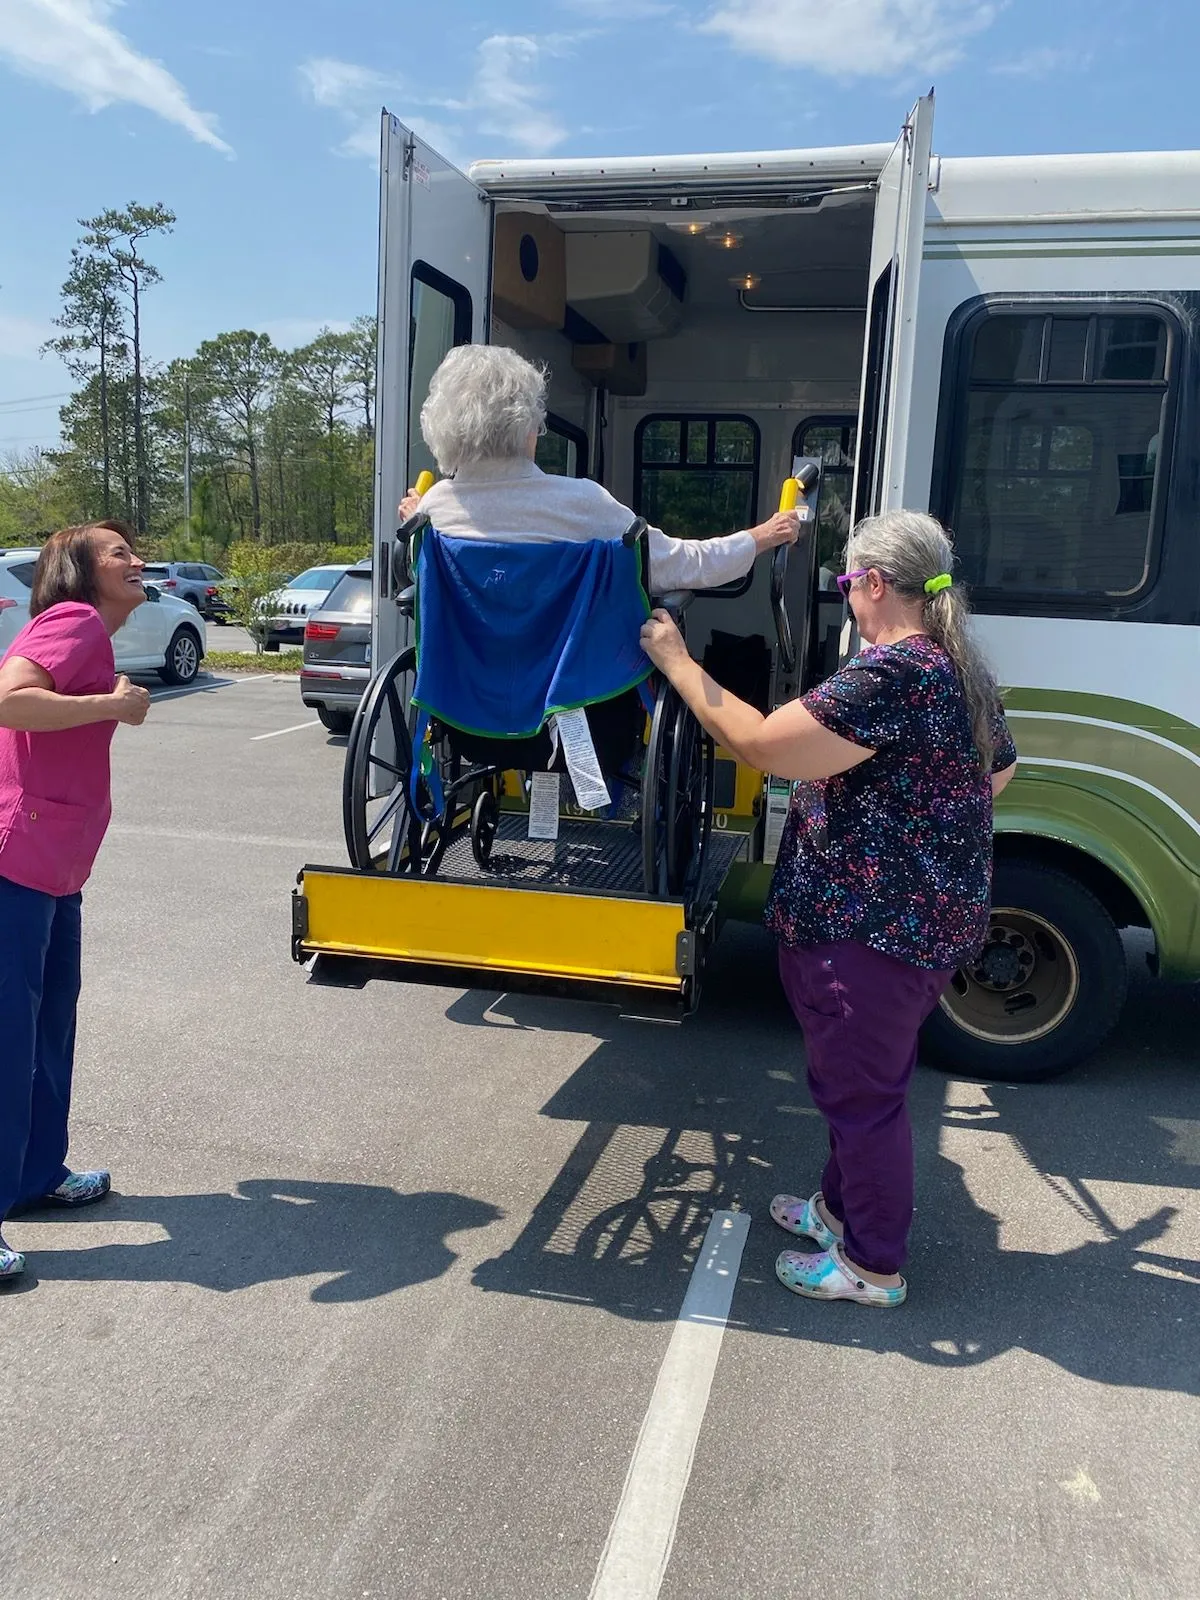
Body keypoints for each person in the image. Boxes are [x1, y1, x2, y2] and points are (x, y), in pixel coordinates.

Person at [641, 509, 1017, 1308]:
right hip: (915, 928)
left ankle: (872, 1266)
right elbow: (1000, 771)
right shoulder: (958, 665)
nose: (846, 598)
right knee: (854, 1082)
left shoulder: (892, 672)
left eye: (848, 585)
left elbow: (763, 744)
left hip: (867, 935)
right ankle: (836, 1211)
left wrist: (677, 662)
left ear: (875, 584)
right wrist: (917, 816)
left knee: (864, 1099)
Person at [0, 521, 151, 1280]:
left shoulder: (91, 632)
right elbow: (11, 701)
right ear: (80, 572)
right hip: (15, 863)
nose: (137, 559)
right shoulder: (74, 619)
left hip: (55, 868)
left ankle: (33, 1175)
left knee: (49, 1023)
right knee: (9, 1040)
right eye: (119, 553)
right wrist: (112, 706)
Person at [397, 344, 800, 588]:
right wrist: (761, 536)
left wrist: (418, 515)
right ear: (527, 428)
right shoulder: (580, 503)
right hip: (563, 702)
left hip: (462, 705)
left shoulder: (434, 513)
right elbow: (679, 564)